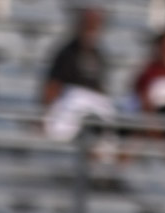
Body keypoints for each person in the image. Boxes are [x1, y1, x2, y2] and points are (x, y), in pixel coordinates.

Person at [41, 7, 116, 142]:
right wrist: (46, 114)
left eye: (95, 25)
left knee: (107, 117)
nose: (92, 30)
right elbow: (53, 85)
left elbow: (100, 87)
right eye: (88, 25)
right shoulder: (67, 53)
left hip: (93, 105)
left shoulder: (99, 55)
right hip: (71, 101)